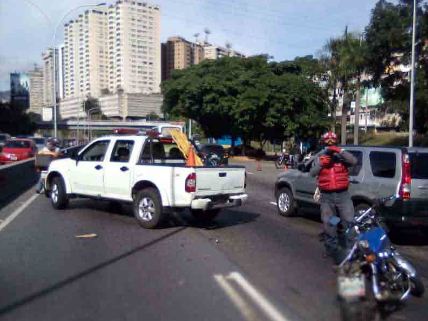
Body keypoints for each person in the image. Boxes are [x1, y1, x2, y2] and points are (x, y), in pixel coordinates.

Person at [310, 131, 357, 262]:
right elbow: (312, 173)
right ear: (324, 143)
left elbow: (354, 161)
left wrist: (340, 151)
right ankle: (331, 248)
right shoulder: (320, 156)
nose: (330, 144)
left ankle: (351, 249)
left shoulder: (342, 155)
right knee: (330, 224)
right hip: (327, 197)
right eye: (327, 142)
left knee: (348, 221)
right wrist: (321, 164)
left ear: (336, 142)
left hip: (343, 195)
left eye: (333, 142)